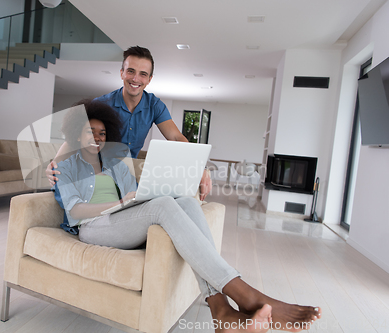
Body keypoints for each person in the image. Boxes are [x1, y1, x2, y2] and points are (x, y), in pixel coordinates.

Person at [54, 99, 321, 333]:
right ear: (77, 135)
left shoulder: (117, 163)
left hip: (121, 220)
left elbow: (135, 197)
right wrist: (118, 201)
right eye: (91, 132)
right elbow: (75, 210)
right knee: (163, 206)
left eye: (102, 133)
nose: (97, 138)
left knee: (184, 200)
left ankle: (222, 312)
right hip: (91, 227)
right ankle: (245, 295)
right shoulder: (65, 166)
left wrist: (137, 196)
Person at [46, 46, 212, 201]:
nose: (135, 78)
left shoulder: (154, 105)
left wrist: (201, 168)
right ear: (122, 73)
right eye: (130, 71)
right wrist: (55, 164)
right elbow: (73, 139)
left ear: (149, 79)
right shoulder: (102, 104)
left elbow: (176, 138)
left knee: (155, 201)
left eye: (143, 74)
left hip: (123, 178)